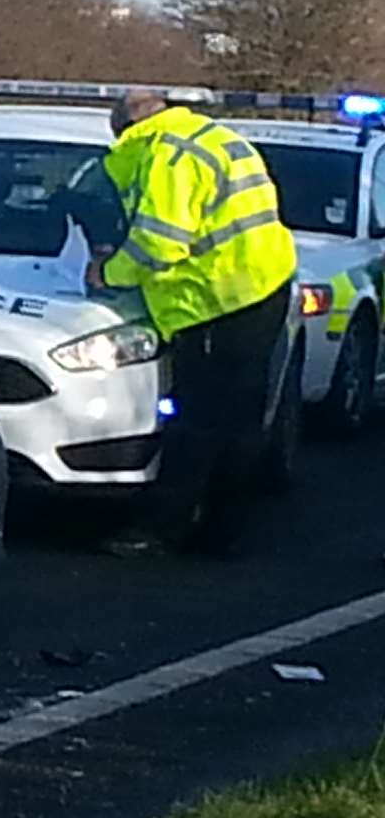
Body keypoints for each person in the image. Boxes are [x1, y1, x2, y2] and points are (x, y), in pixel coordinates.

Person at [88, 90, 296, 552]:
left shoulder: (167, 157)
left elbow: (160, 245)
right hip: (262, 288)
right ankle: (225, 528)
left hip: (214, 300)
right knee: (240, 419)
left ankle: (165, 528)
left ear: (124, 128)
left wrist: (108, 272)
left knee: (196, 423)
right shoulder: (213, 136)